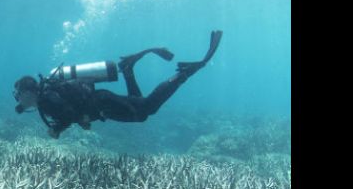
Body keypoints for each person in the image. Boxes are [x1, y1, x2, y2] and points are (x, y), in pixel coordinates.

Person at [13, 30, 223, 138]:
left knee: (145, 111)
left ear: (28, 92)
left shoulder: (47, 99)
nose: (19, 100)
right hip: (100, 103)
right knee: (140, 106)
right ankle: (128, 69)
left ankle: (183, 75)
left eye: (19, 95)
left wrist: (57, 130)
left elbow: (67, 114)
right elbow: (72, 110)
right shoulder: (47, 95)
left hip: (102, 104)